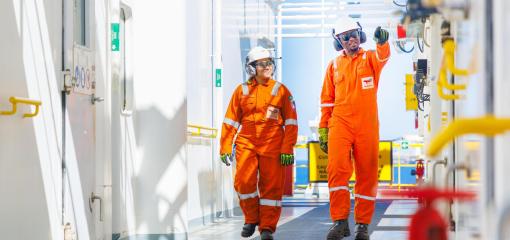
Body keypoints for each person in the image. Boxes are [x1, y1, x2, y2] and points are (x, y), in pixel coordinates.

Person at [319, 17, 390, 240]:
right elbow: (327, 100)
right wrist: (323, 128)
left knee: (367, 174)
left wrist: (382, 43)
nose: (352, 39)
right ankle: (339, 222)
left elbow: (383, 56)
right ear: (338, 41)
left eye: (355, 34)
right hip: (339, 124)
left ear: (361, 36)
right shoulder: (333, 65)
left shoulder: (370, 58)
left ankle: (362, 225)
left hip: (367, 125)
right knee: (336, 170)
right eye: (346, 36)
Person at [219, 46, 298, 240]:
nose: (268, 67)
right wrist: (225, 146)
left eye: (270, 63)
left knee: (271, 187)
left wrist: (287, 148)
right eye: (263, 64)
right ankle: (251, 218)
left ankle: (267, 228)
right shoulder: (241, 91)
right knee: (243, 182)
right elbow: (230, 121)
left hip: (273, 143)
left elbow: (291, 122)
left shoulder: (281, 91)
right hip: (246, 142)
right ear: (252, 68)